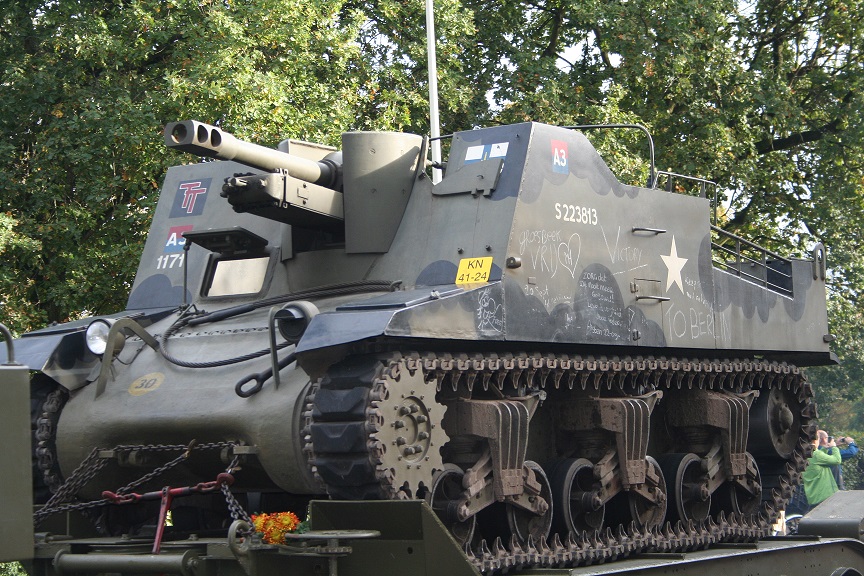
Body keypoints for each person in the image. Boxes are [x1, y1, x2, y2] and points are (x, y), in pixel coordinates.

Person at [802, 429, 842, 508]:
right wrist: (834, 447)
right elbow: (837, 460)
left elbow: (819, 461)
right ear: (814, 440)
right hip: (824, 496)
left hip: (813, 496)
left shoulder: (803, 453)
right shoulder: (816, 454)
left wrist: (825, 448)